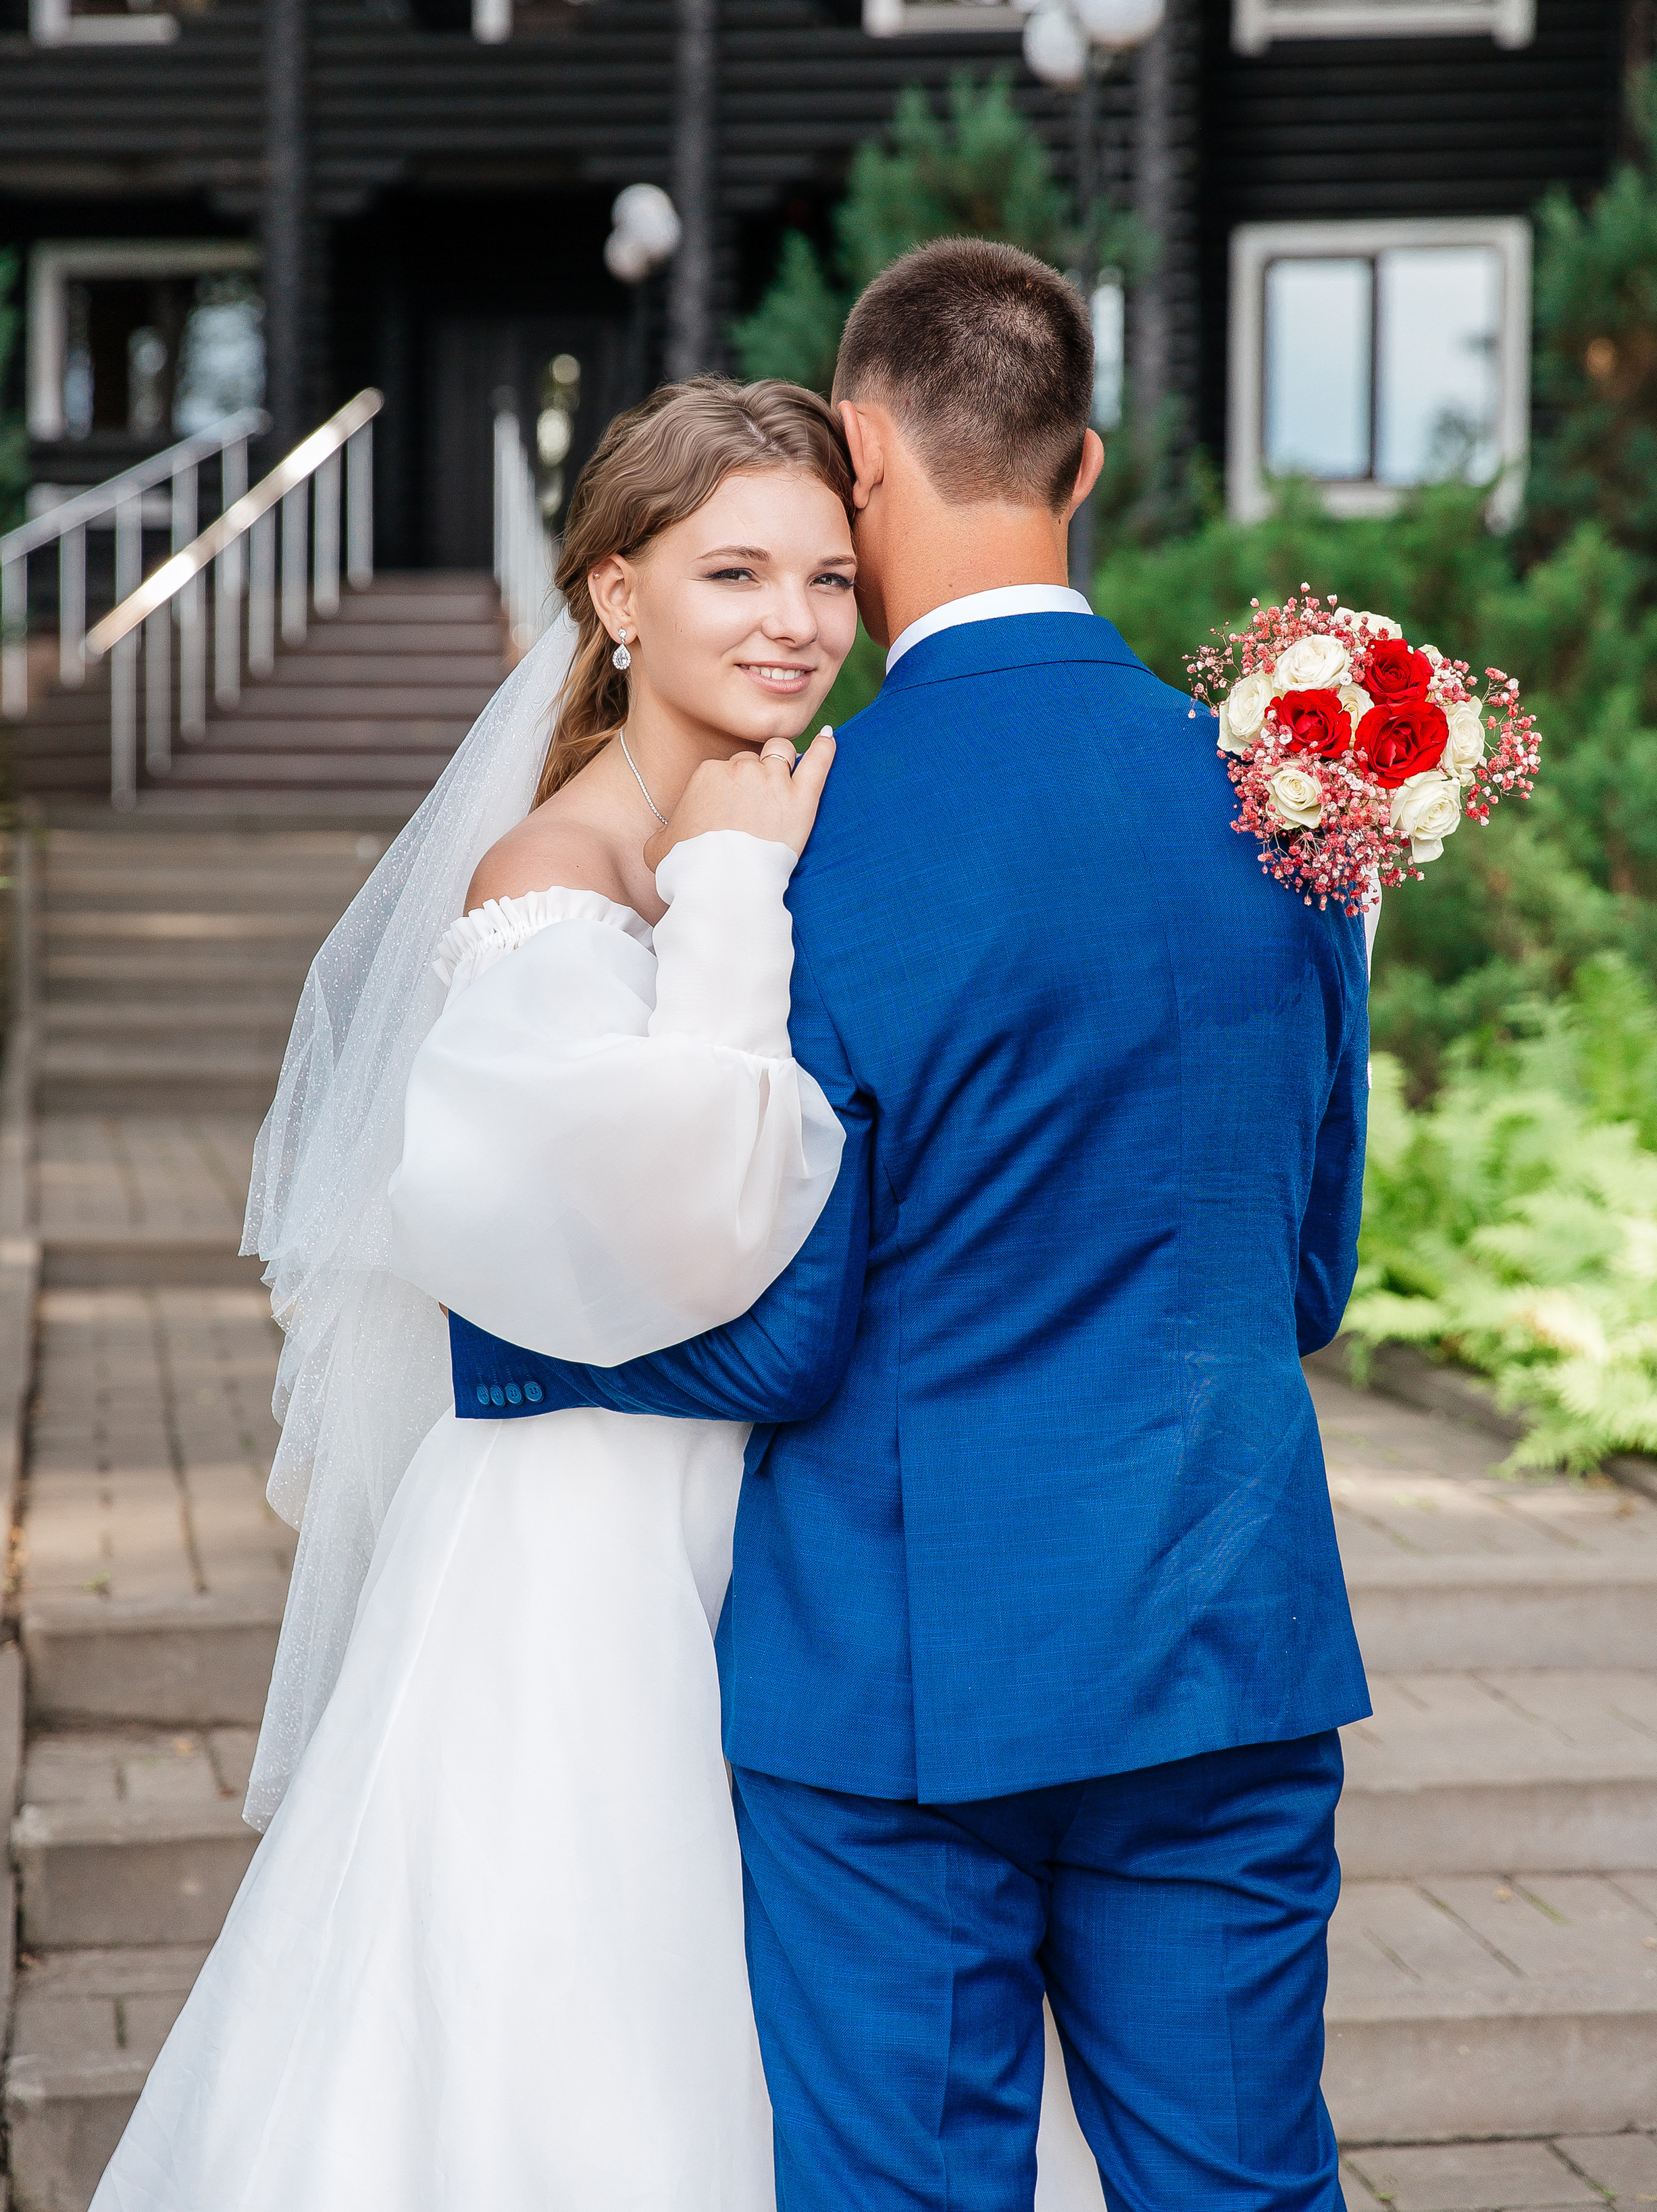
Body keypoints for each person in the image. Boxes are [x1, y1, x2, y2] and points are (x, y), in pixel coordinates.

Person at [440, 241, 1373, 2212]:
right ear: (1089, 460)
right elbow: (1304, 1272)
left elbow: (780, 1323)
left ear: (858, 453)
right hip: (1226, 1636)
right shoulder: (1301, 796)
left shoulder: (793, 831)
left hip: (901, 1671)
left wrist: (510, 1345)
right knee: (1246, 2186)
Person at [89, 378, 915, 2210]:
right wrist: (721, 886)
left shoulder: (787, 819)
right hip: (584, 1534)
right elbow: (671, 1225)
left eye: (831, 579)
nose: (795, 622)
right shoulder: (556, 870)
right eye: (735, 573)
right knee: (585, 1982)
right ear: (617, 598)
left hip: (758, 1519)